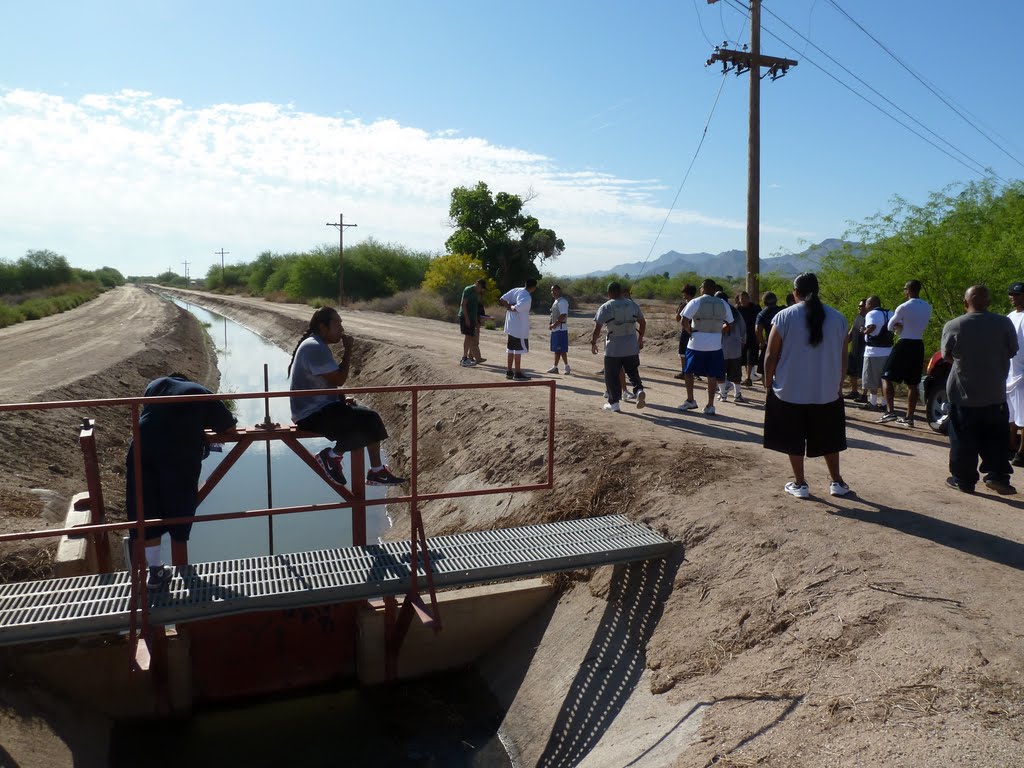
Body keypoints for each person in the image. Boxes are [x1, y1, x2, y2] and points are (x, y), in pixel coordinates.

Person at [126, 374, 237, 590]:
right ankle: (184, 569)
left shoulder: (155, 383)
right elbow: (229, 428)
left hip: (141, 447)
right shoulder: (202, 393)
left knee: (145, 508)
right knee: (179, 504)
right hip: (177, 453)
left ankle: (155, 571)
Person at [288, 306, 406, 488]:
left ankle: (376, 471)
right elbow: (340, 379)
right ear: (323, 327)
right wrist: (348, 350)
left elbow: (330, 382)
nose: (342, 329)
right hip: (311, 415)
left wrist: (339, 398)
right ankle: (331, 457)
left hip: (321, 409)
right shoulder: (314, 347)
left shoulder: (318, 344)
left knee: (368, 420)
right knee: (369, 419)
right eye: (337, 324)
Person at [763, 273, 851, 499]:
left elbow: (771, 354)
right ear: (818, 290)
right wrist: (839, 384)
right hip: (827, 392)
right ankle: (837, 483)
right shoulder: (838, 318)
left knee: (793, 439)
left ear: (795, 292)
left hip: (789, 391)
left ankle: (800, 484)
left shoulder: (784, 316)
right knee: (830, 439)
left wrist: (767, 381)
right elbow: (843, 357)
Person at [941, 285, 1018, 495]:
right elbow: (1013, 351)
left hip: (963, 393)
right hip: (995, 393)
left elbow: (947, 355)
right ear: (989, 303)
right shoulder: (1004, 323)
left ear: (965, 303)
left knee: (962, 439)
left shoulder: (954, 325)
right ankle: (998, 477)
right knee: (996, 439)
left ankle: (963, 480)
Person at [878, 280, 932, 426]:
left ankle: (890, 412)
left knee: (886, 377)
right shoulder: (927, 306)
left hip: (904, 343)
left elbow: (889, 326)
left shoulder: (903, 307)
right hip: (918, 344)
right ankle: (909, 417)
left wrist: (899, 325)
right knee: (912, 383)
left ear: (907, 290)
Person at [679, 279, 734, 416]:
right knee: (712, 375)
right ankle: (710, 405)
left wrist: (689, 332)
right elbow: (730, 324)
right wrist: (719, 330)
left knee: (688, 372)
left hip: (696, 343)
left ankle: (691, 400)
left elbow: (683, 320)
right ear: (714, 289)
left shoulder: (696, 302)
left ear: (702, 289)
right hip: (715, 345)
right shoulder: (723, 303)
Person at [591, 281, 646, 412]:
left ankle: (614, 403)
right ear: (621, 292)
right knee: (633, 372)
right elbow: (643, 323)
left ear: (609, 293)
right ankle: (638, 390)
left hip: (614, 347)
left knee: (611, 375)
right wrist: (640, 339)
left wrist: (593, 342)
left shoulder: (606, 307)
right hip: (631, 345)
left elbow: (597, 328)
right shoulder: (632, 304)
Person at [499, 278, 538, 380]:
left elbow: (502, 299)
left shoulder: (516, 290)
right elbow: (517, 308)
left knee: (511, 349)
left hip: (511, 325)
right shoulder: (526, 296)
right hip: (519, 327)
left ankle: (509, 371)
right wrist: (510, 307)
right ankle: (517, 373)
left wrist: (508, 306)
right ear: (533, 287)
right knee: (518, 350)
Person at [860, 295, 892, 410]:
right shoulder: (890, 313)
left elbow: (872, 327)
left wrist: (864, 331)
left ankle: (873, 403)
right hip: (888, 351)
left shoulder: (871, 314)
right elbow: (897, 325)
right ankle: (884, 404)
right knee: (884, 379)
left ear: (871, 304)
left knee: (871, 379)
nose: (866, 307)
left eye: (867, 304)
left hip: (873, 352)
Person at [1006, 283, 1024, 466]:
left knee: (1023, 416)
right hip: (1010, 373)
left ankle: (1022, 453)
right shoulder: (1010, 317)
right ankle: (1011, 446)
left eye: (1017, 294)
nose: (1013, 297)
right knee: (1011, 415)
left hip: (1022, 374)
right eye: (1011, 294)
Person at [719, 291, 747, 403]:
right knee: (736, 373)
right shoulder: (735, 312)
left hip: (720, 348)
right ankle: (737, 394)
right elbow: (743, 329)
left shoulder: (717, 312)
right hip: (735, 348)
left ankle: (723, 395)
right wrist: (742, 343)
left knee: (720, 372)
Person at [734, 291, 761, 385]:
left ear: (748, 299)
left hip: (753, 336)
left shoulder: (755, 308)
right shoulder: (737, 309)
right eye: (742, 299)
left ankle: (749, 378)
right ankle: (739, 377)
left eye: (745, 299)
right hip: (741, 336)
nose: (743, 301)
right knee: (742, 357)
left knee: (750, 358)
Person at [458, 279, 487, 367]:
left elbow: (476, 307)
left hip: (472, 318)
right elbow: (463, 304)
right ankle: (464, 358)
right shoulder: (468, 290)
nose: (481, 289)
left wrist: (476, 320)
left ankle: (468, 358)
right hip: (465, 316)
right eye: (481, 287)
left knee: (470, 337)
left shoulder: (477, 293)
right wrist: (467, 318)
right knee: (468, 336)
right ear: (477, 284)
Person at [754, 292, 783, 378]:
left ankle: (768, 388)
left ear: (764, 302)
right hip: (783, 343)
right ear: (776, 300)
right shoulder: (783, 311)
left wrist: (762, 342)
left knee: (765, 370)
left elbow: (757, 329)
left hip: (769, 343)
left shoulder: (762, 314)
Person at [845, 299, 868, 402]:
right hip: (854, 349)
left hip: (864, 350)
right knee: (851, 371)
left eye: (862, 306)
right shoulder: (858, 317)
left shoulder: (870, 318)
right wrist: (845, 343)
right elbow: (851, 331)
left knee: (864, 374)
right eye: (859, 306)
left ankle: (864, 395)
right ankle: (854, 392)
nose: (859, 308)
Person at [546, 284, 571, 375]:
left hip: (560, 329)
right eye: (551, 290)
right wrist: (551, 324)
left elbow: (563, 314)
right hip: (556, 329)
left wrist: (555, 324)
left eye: (554, 290)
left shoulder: (562, 302)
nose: (552, 292)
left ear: (559, 290)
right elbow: (553, 314)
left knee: (561, 349)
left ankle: (566, 366)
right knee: (557, 349)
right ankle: (556, 367)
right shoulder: (556, 301)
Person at [674, 284, 697, 379]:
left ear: (686, 293)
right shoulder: (697, 303)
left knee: (683, 352)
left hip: (687, 330)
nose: (683, 295)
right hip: (695, 330)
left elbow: (678, 319)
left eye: (684, 293)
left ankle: (685, 371)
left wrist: (680, 309)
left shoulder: (685, 304)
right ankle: (694, 372)